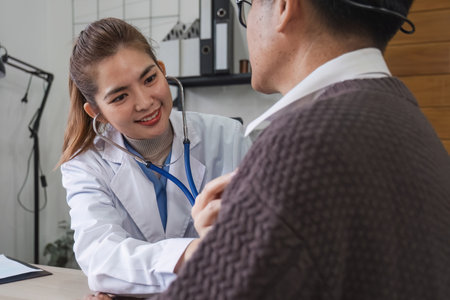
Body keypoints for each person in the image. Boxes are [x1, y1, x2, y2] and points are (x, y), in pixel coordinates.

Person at [147, 0, 449, 299]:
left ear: (283, 7)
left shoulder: (300, 144)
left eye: (246, 7)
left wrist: (217, 253)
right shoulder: (407, 119)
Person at [59, 17, 251, 296]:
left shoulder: (228, 137)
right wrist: (196, 252)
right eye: (119, 97)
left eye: (149, 79)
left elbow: (260, 239)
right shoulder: (86, 163)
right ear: (96, 112)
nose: (145, 102)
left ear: (162, 71)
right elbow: (100, 256)